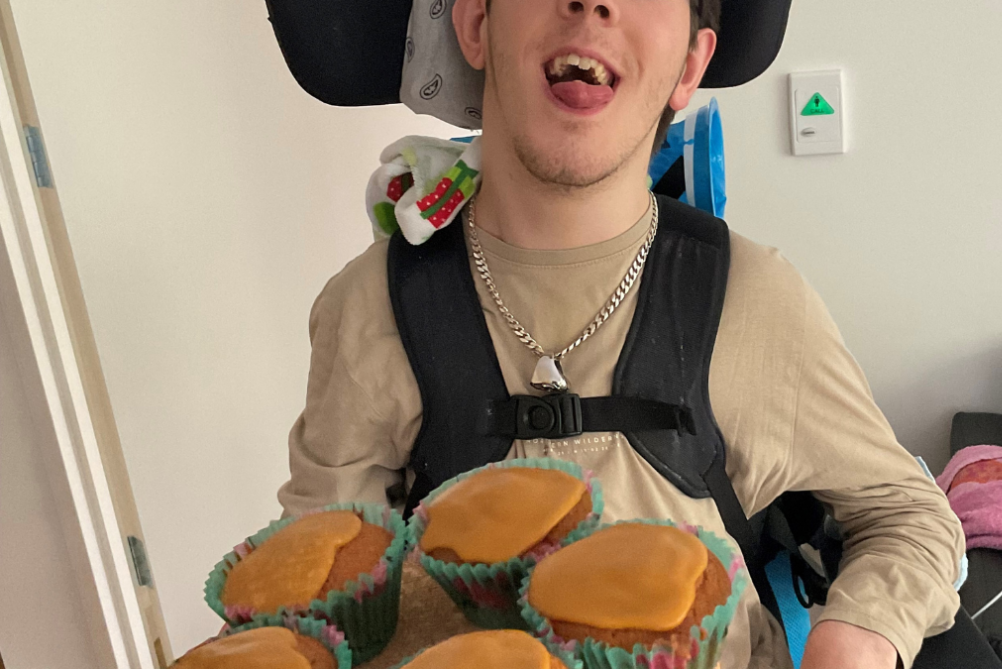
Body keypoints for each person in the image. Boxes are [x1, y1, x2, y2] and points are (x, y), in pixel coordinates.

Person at [277, 0, 965, 666]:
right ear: (477, 24)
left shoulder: (753, 301)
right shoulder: (372, 308)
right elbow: (309, 588)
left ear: (691, 64)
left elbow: (909, 515)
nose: (593, 3)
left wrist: (858, 636)